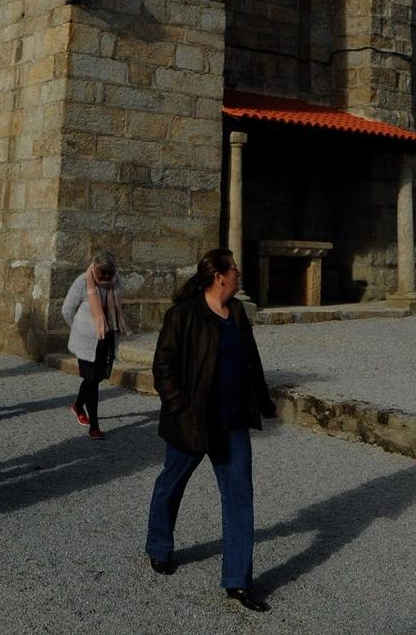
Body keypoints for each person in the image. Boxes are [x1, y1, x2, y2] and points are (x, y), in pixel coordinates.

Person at [145, 248, 276, 613]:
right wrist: (181, 410)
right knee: (172, 483)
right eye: (234, 269)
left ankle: (238, 580)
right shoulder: (182, 315)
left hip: (232, 423)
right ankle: (159, 546)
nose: (239, 275)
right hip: (193, 421)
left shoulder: (236, 314)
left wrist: (263, 401)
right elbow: (163, 368)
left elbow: (251, 361)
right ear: (220, 276)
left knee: (240, 499)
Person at [62, 248, 124, 440]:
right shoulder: (82, 281)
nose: (105, 277)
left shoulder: (117, 282)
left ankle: (78, 405)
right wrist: (81, 330)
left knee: (94, 379)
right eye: (102, 272)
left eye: (109, 273)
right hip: (86, 342)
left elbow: (117, 307)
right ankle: (94, 426)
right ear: (94, 268)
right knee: (92, 381)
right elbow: (67, 310)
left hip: (106, 340)